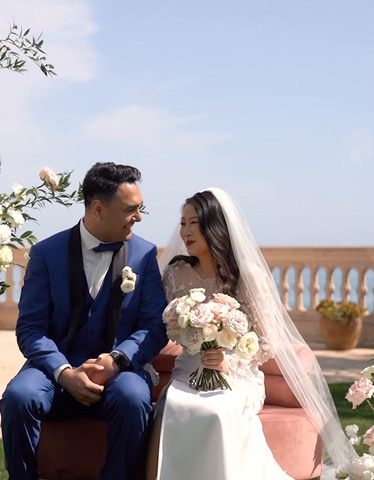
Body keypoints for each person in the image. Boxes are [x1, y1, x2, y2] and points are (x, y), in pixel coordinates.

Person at [149, 188, 358, 480]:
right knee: (175, 405)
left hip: (237, 374)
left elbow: (266, 343)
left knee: (219, 411)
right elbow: (161, 325)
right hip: (188, 371)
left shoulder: (248, 275)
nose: (185, 231)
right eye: (182, 223)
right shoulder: (175, 273)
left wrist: (227, 362)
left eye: (193, 222)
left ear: (214, 224)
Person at [0, 162, 169, 480]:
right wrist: (64, 373)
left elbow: (155, 326)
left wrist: (117, 360)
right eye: (131, 209)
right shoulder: (46, 254)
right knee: (19, 397)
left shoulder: (144, 254)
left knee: (133, 398)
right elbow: (30, 329)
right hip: (55, 373)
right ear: (99, 209)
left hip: (120, 372)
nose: (139, 217)